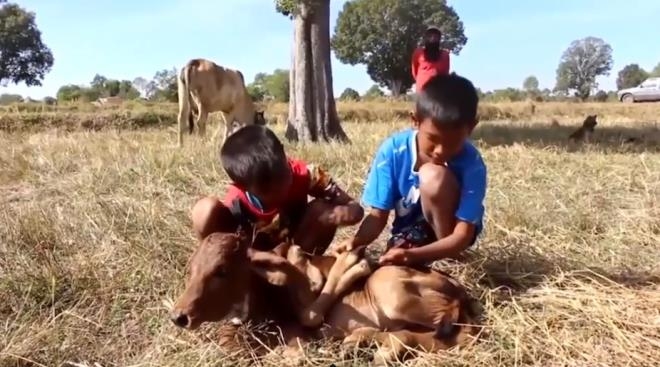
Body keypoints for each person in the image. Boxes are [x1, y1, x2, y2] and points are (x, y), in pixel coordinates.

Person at [334, 72, 487, 267]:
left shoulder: (471, 163)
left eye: (452, 142)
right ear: (415, 120)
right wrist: (356, 242)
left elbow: (462, 235)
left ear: (472, 127)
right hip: (411, 233)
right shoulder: (393, 151)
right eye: (432, 139)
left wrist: (413, 256)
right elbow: (378, 215)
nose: (440, 151)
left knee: (433, 176)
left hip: (452, 237)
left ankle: (449, 258)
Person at [190, 124, 364, 255]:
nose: (282, 190)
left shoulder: (307, 175)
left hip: (295, 254)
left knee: (322, 209)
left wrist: (335, 215)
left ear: (283, 151)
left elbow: (354, 208)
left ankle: (298, 278)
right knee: (204, 210)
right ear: (242, 187)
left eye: (285, 177)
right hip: (250, 259)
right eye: (268, 191)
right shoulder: (236, 202)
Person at [411, 26, 451, 93]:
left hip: (438, 91)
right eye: (430, 36)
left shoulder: (445, 55)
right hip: (422, 90)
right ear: (426, 38)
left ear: (439, 39)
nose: (433, 38)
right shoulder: (418, 52)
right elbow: (415, 72)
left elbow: (445, 74)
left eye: (435, 36)